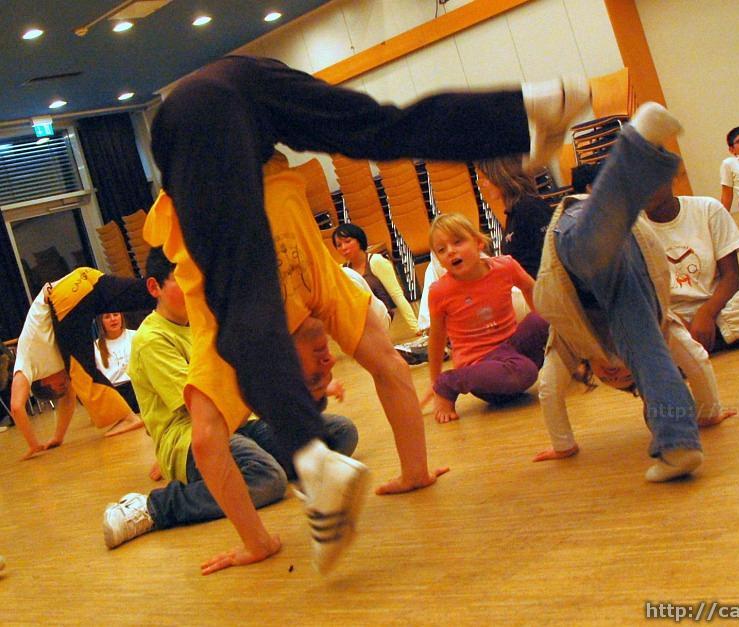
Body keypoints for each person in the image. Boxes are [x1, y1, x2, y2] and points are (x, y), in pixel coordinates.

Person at [147, 55, 588, 573]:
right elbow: (389, 365)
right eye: (322, 374)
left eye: (313, 375)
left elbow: (207, 439)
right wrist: (414, 470)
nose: (324, 367)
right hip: (246, 83)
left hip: (193, 121)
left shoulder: (226, 304)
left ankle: (318, 470)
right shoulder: (326, 285)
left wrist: (258, 539)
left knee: (244, 319)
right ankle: (529, 109)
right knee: (379, 126)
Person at [101, 249, 359, 566]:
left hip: (236, 423)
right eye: (182, 280)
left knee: (339, 433)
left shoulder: (204, 322)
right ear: (154, 287)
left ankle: (260, 471)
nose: (195, 288)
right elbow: (200, 405)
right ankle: (154, 507)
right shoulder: (150, 339)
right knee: (267, 480)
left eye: (196, 280)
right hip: (191, 437)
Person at [533, 102, 718, 482]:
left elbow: (549, 388)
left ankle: (633, 149)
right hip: (616, 246)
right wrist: (709, 410)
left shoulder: (573, 341)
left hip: (578, 239)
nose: (616, 374)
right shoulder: (645, 334)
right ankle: (678, 445)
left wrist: (563, 445)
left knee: (593, 247)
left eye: (613, 377)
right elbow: (694, 361)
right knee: (650, 349)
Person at [419, 213, 549, 423]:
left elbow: (531, 289)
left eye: (457, 242)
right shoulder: (440, 291)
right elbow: (437, 337)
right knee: (524, 371)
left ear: (479, 243)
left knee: (545, 316)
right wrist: (435, 382)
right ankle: (449, 383)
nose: (450, 251)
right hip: (482, 365)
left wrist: (545, 327)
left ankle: (565, 361)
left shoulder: (505, 266)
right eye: (441, 250)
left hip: (512, 349)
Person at [8, 268, 150, 460]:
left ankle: (128, 418)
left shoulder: (26, 362)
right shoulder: (60, 359)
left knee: (83, 374)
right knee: (147, 291)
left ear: (44, 381)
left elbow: (16, 407)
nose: (66, 382)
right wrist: (58, 437)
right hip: (85, 278)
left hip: (65, 297)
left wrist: (34, 445)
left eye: (60, 384)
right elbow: (68, 399)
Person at [640, 187, 739, 353]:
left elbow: (732, 276)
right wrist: (677, 322)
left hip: (719, 308)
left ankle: (693, 344)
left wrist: (706, 314)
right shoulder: (632, 230)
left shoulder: (708, 209)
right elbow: (645, 298)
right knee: (634, 323)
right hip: (671, 316)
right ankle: (724, 338)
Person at [332, 223, 418, 343]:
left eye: (348, 241)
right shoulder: (343, 270)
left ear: (359, 240)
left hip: (381, 315)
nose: (343, 248)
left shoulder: (376, 261)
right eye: (339, 245)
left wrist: (416, 328)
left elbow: (397, 296)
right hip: (361, 319)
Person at [475, 155, 553, 278]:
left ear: (500, 177)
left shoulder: (529, 208)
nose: (483, 184)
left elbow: (549, 258)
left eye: (486, 178)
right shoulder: (515, 211)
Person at [94, 312, 139, 413]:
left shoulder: (136, 336)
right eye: (107, 317)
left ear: (121, 317)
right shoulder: (96, 347)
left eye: (115, 315)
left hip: (138, 388)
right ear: (101, 322)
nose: (113, 319)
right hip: (115, 395)